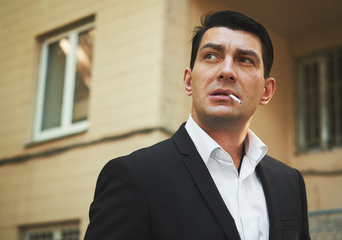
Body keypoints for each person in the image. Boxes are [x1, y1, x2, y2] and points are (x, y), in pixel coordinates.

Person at [84, 10, 310, 240]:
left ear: (266, 91)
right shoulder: (135, 177)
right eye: (211, 56)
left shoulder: (290, 183)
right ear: (189, 80)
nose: (227, 71)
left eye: (245, 60)